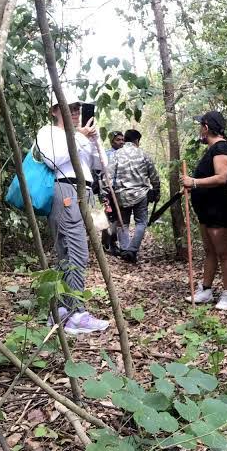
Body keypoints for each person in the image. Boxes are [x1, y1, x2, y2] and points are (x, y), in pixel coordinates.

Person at [38, 87, 110, 335]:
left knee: (69, 254)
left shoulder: (81, 136)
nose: (76, 112)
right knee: (76, 252)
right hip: (65, 190)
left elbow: (102, 166)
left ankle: (61, 311)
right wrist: (78, 136)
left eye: (79, 108)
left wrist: (94, 140)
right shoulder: (49, 132)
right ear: (55, 111)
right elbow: (52, 160)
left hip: (85, 192)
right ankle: (76, 314)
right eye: (70, 108)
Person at [181, 111, 227, 310]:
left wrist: (194, 182)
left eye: (200, 126)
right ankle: (206, 290)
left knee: (223, 252)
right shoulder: (214, 148)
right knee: (209, 252)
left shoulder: (221, 148)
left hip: (218, 210)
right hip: (207, 211)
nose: (199, 130)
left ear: (206, 128)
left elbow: (222, 177)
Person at [107, 129, 160, 263]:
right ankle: (132, 250)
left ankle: (125, 250)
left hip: (121, 195)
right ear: (137, 141)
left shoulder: (116, 155)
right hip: (141, 194)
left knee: (122, 223)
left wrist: (105, 194)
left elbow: (107, 176)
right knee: (141, 222)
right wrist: (157, 190)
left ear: (125, 139)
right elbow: (154, 176)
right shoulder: (143, 155)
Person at [100, 131, 123, 255]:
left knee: (117, 218)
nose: (121, 142)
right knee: (109, 216)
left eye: (122, 140)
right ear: (112, 141)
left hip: (120, 191)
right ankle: (107, 243)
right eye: (118, 140)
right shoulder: (107, 154)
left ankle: (113, 242)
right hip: (108, 190)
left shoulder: (124, 155)